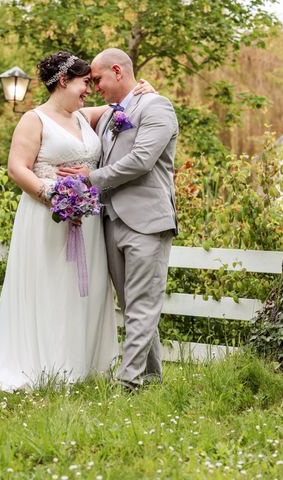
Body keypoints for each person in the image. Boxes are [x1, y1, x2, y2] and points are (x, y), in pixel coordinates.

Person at [0, 51, 155, 406]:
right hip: (47, 218)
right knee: (50, 287)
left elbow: (121, 106)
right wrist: (53, 195)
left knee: (87, 291)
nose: (90, 90)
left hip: (87, 222)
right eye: (85, 83)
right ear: (64, 81)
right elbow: (16, 168)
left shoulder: (84, 117)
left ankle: (85, 367)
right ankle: (46, 365)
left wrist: (143, 88)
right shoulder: (34, 120)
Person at [58, 48, 178, 391]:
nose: (95, 87)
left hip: (148, 222)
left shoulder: (157, 106)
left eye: (97, 79)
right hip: (112, 221)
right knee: (134, 306)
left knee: (141, 305)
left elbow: (142, 160)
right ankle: (152, 380)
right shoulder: (111, 116)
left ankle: (128, 384)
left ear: (117, 71)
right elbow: (66, 112)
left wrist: (90, 178)